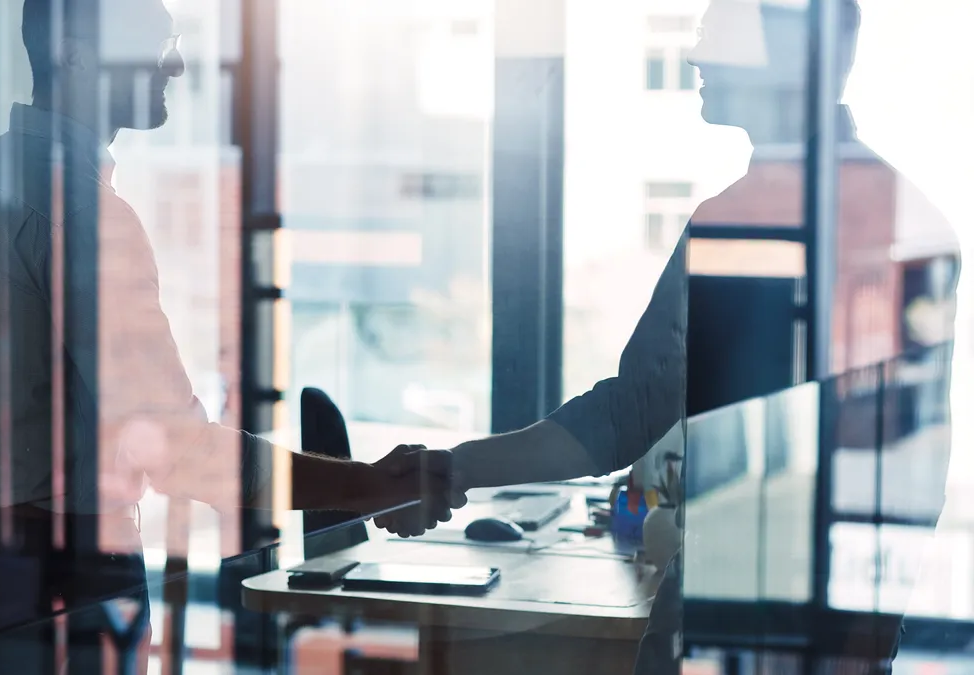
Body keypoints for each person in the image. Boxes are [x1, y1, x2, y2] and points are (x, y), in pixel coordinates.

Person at [384, 1, 958, 673]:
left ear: (778, 58)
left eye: (716, 38)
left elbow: (629, 412)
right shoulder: (908, 216)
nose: (694, 58)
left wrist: (450, 470)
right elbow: (915, 463)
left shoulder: (747, 223)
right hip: (807, 620)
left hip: (750, 616)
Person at [0, 0, 462, 671]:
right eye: (153, 43)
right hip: (63, 573)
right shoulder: (80, 211)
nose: (174, 62)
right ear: (77, 54)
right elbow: (177, 447)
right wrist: (368, 486)